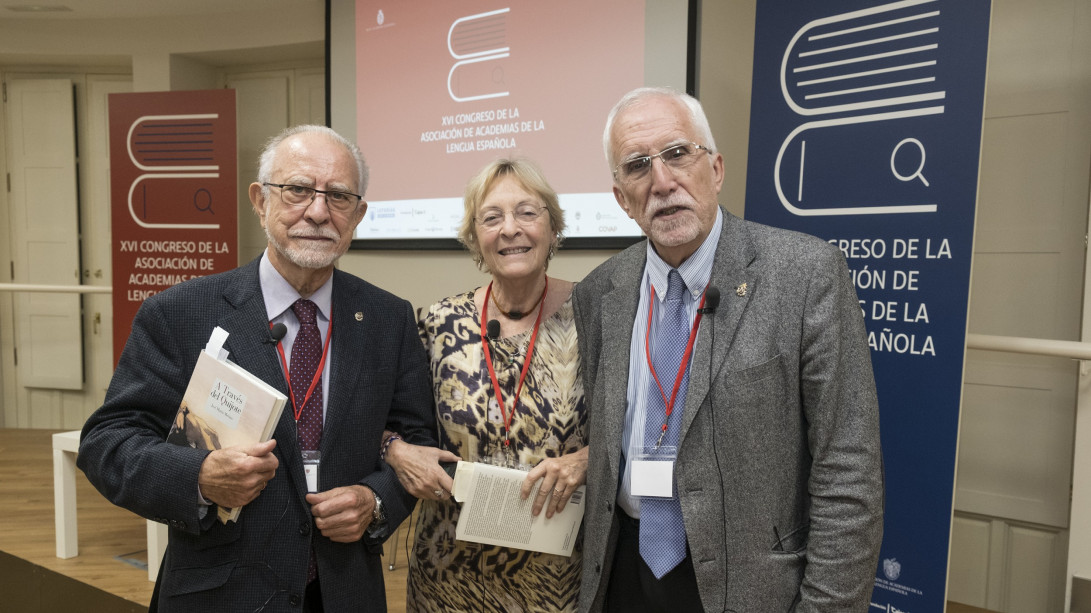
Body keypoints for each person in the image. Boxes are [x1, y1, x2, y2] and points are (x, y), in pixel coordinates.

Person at [77, 125, 437, 613]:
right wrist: (199, 476)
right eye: (297, 190)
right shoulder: (180, 312)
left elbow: (417, 439)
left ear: (358, 214)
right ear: (260, 200)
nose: (317, 211)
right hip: (221, 592)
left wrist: (376, 502)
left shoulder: (388, 319)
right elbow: (108, 444)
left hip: (344, 590)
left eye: (338, 196)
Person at [572, 87, 884, 612]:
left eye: (677, 154)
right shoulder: (599, 292)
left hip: (752, 584)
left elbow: (847, 469)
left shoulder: (805, 276)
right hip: (624, 569)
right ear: (621, 198)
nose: (662, 181)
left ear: (715, 169)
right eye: (638, 166)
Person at [382, 158, 588, 612]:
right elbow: (380, 421)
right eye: (491, 217)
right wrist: (396, 450)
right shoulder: (436, 324)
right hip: (448, 575)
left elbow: (643, 425)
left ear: (553, 228)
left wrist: (588, 459)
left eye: (527, 213)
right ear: (475, 238)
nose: (509, 229)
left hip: (555, 583)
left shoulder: (596, 318)